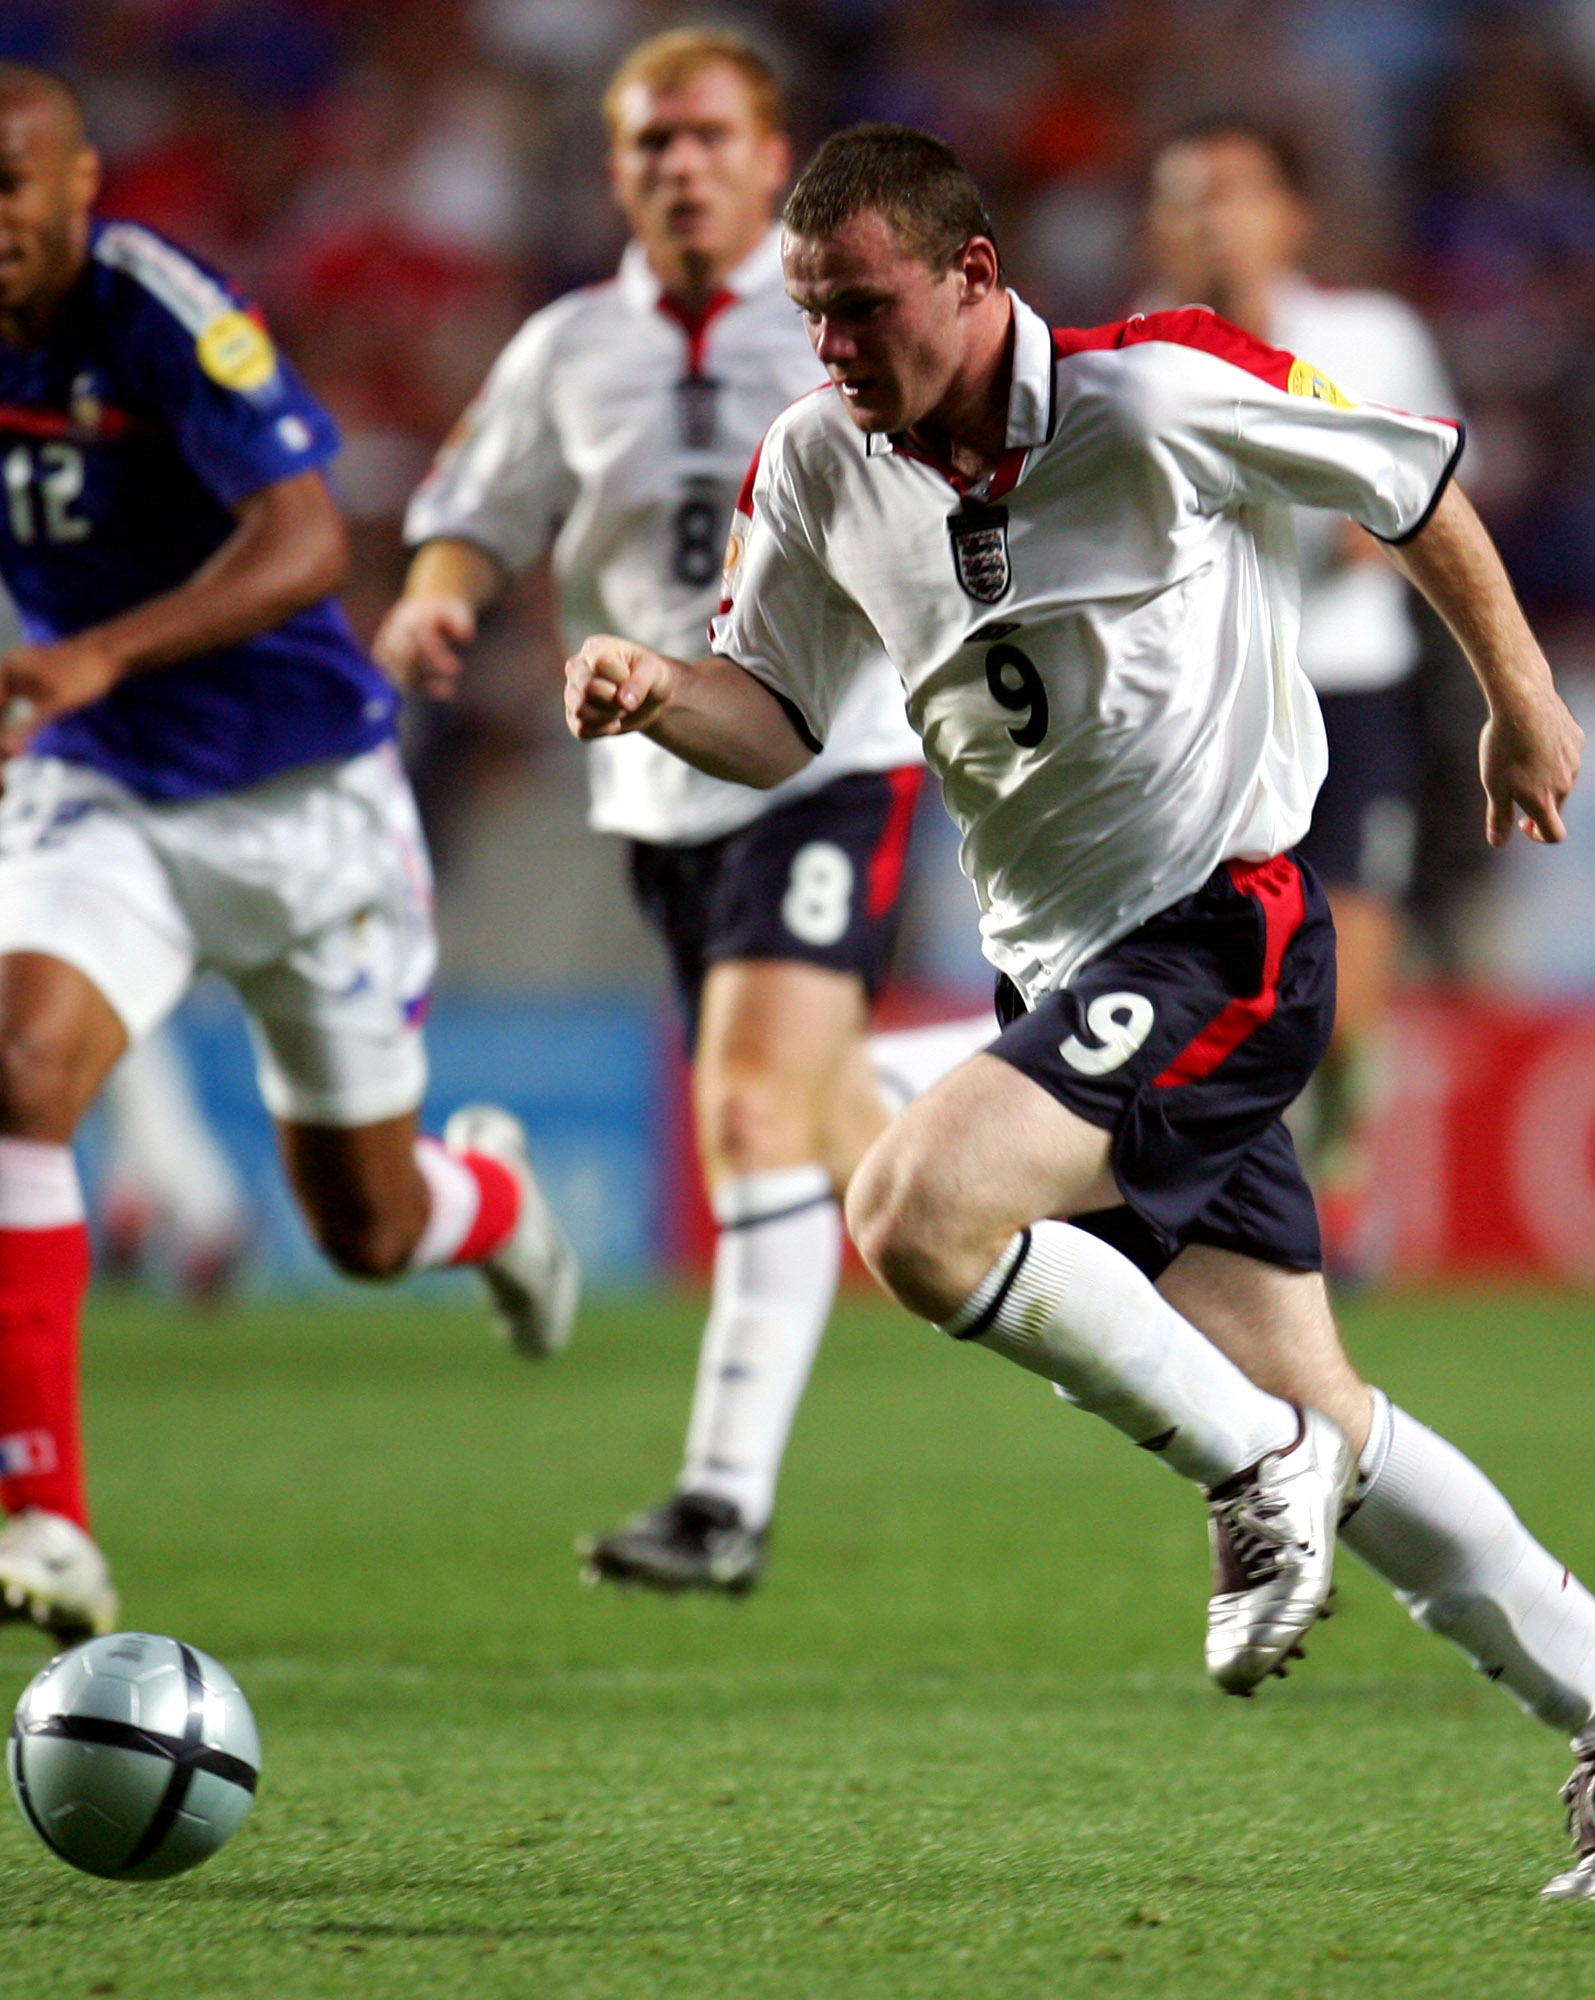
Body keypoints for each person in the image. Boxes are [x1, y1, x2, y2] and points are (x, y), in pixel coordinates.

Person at [566, 124, 1595, 1904]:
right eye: (811, 315)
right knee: (1328, 1413)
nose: (833, 350)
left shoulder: (1157, 390)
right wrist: (662, 691)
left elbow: (1409, 483)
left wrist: (1521, 697)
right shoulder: (814, 462)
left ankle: (1243, 1466)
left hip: (1228, 932)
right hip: (1068, 971)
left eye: (863, 308)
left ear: (974, 276)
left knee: (913, 1206)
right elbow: (777, 713)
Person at [0, 63, 580, 1644]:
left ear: (80, 186)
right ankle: (45, 1514)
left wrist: (97, 653)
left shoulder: (161, 313)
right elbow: (54, 544)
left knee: (365, 1229)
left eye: (6, 181)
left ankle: (491, 1206)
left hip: (301, 801)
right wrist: (38, 684)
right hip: (105, 787)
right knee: (15, 1070)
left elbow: (303, 540)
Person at [381, 31, 979, 1595]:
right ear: (616, 170)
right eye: (651, 142)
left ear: (770, 154)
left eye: (710, 136)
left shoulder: (842, 332)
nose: (681, 164)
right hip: (656, 790)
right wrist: (438, 606)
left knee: (743, 1105)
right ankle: (1034, 1067)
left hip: (832, 756)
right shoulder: (567, 348)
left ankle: (721, 1501)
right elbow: (470, 514)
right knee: (810, 1107)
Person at [0, 408, 255, 1305]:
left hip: (107, 731)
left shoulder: (108, 417)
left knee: (90, 964)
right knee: (69, 973)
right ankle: (160, 1196)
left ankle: (180, 1200)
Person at [1143, 119, 1459, 1283]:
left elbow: (1422, 488)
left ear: (1292, 218)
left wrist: (1373, 523)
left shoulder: (1370, 334)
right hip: (1208, 698)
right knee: (1221, 969)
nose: (1213, 215)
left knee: (1356, 954)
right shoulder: (1133, 357)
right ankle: (1224, 1188)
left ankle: (1342, 1181)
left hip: (1352, 677)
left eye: (1235, 190)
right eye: (1189, 195)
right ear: (1158, 228)